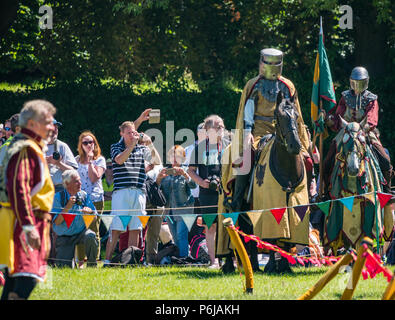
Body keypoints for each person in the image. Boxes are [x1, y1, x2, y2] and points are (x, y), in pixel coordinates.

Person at [224, 48, 311, 212]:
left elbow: (294, 114)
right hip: (259, 132)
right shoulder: (253, 84)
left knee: (306, 160)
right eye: (268, 62)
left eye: (274, 63)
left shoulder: (288, 86)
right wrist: (248, 132)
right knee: (247, 155)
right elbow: (248, 111)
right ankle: (236, 200)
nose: (271, 66)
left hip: (283, 131)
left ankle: (310, 195)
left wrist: (301, 137)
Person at [0, 99, 56, 300]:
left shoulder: (29, 146)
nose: (52, 127)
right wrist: (28, 226)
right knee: (25, 279)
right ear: (32, 124)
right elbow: (19, 188)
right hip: (22, 222)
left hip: (24, 220)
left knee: (15, 282)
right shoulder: (26, 149)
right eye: (48, 122)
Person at [324, 66, 393, 195]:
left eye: (361, 82)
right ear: (351, 81)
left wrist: (361, 129)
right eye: (355, 81)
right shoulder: (344, 97)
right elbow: (339, 116)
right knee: (328, 160)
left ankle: (386, 191)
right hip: (345, 133)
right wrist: (330, 120)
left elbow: (372, 120)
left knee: (385, 161)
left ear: (366, 82)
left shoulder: (372, 99)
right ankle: (326, 191)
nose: (357, 85)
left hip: (366, 132)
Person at [103, 120, 161, 265]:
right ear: (122, 133)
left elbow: (157, 161)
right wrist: (133, 145)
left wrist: (150, 144)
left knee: (136, 227)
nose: (132, 135)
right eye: (128, 133)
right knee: (116, 227)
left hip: (139, 191)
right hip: (121, 192)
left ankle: (131, 260)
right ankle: (107, 260)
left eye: (133, 132)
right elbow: (120, 160)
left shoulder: (141, 148)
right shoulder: (116, 146)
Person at [188, 115, 230, 266]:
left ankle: (232, 260)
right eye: (219, 127)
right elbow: (190, 170)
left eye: (222, 126)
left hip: (226, 192)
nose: (222, 129)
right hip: (207, 194)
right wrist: (202, 183)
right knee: (211, 227)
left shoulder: (229, 145)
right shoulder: (199, 148)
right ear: (208, 130)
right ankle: (214, 261)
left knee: (229, 225)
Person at [51, 169, 99, 268]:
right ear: (67, 183)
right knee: (64, 268)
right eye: (76, 181)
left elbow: (95, 219)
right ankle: (72, 263)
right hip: (65, 236)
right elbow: (57, 222)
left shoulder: (84, 195)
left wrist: (89, 213)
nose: (80, 183)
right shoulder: (58, 197)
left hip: (81, 233)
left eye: (80, 180)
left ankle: (92, 266)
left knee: (91, 235)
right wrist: (67, 207)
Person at [157, 145, 196, 258]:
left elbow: (193, 185)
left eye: (177, 157)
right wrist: (159, 178)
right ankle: (179, 258)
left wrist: (184, 174)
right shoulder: (165, 171)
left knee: (181, 235)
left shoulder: (187, 170)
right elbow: (158, 188)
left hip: (184, 208)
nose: (174, 160)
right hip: (169, 209)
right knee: (174, 235)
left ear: (183, 158)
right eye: (172, 157)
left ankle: (183, 258)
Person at [75, 131, 106, 266]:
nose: (88, 145)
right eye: (85, 142)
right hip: (80, 199)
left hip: (95, 198)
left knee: (94, 229)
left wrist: (89, 161)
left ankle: (93, 261)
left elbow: (94, 178)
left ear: (95, 144)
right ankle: (80, 261)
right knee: (79, 229)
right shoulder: (75, 160)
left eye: (91, 142)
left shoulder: (100, 160)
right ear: (80, 145)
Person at [46, 119, 79, 193]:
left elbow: (73, 171)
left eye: (56, 128)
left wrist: (58, 163)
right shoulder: (36, 146)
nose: (55, 130)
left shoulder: (62, 146)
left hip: (60, 189)